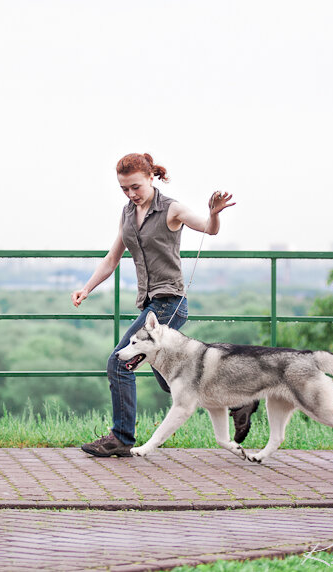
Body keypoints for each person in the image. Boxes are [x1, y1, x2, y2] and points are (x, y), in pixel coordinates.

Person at [72, 152, 259, 457]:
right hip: (150, 305)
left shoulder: (171, 209)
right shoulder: (127, 214)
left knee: (119, 362)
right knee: (169, 379)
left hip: (168, 303)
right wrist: (86, 289)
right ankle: (238, 400)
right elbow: (112, 258)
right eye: (124, 189)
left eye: (136, 187)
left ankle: (121, 437)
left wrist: (214, 213)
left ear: (150, 178)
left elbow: (208, 228)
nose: (131, 194)